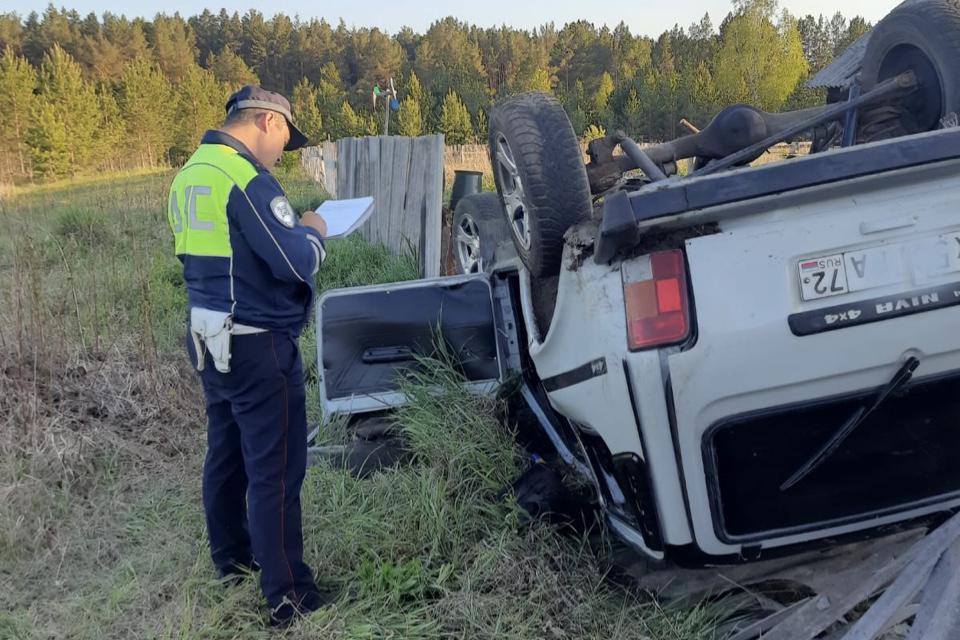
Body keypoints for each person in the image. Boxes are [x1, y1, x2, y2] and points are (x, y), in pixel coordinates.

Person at [166, 85, 330, 627]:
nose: (283, 151)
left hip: (207, 337)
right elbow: (293, 260)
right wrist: (314, 232)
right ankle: (289, 597)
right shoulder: (244, 176)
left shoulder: (190, 173)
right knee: (275, 471)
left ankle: (231, 560)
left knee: (227, 452)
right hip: (257, 344)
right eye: (285, 137)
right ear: (266, 121)